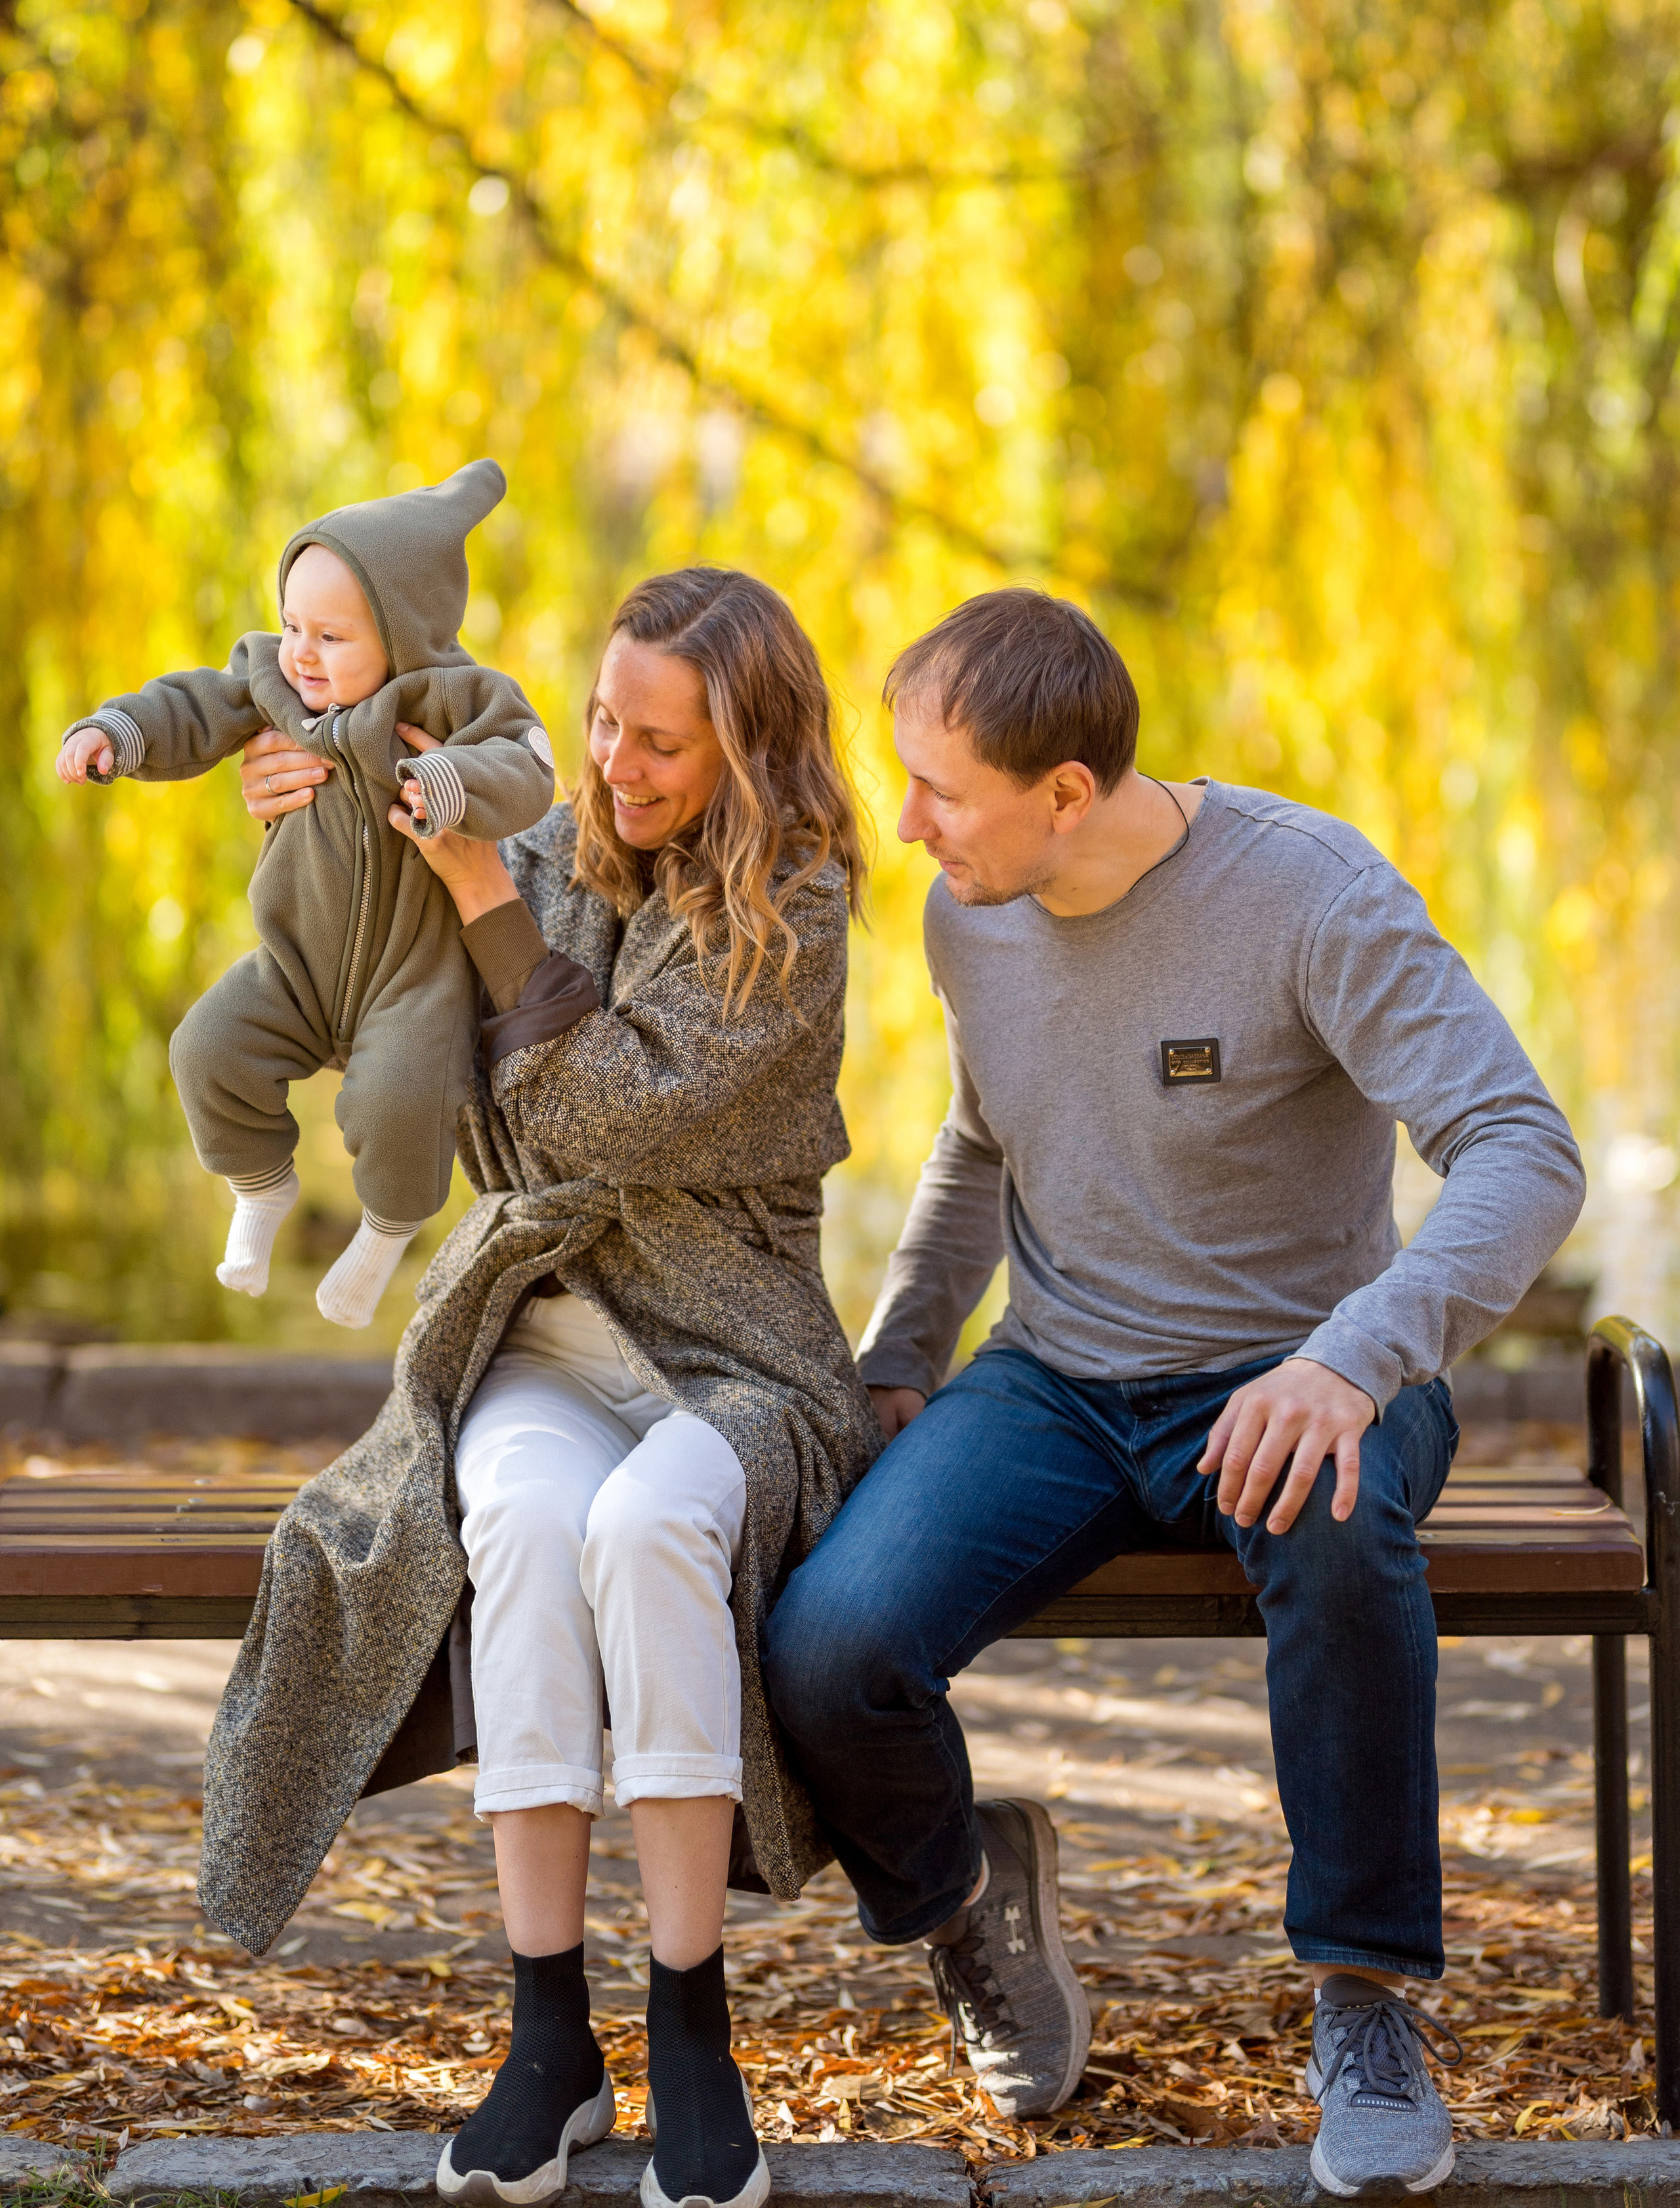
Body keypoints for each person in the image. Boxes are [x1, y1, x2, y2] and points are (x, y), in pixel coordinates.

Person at [765, 589, 1586, 2197]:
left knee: (1336, 1525)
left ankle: (1362, 2001)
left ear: (1065, 791)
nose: (906, 823)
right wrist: (899, 1355)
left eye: (940, 790)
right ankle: (964, 1896)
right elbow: (982, 1139)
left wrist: (1351, 1356)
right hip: (1058, 1383)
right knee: (828, 1647)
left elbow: (1521, 1148)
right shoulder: (969, 909)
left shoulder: (1308, 894)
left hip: (1309, 1369)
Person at [194, 568, 881, 2208]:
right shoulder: (551, 844)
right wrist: (319, 806)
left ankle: (693, 2028)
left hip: (733, 1352)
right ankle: (548, 2032)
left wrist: (485, 907)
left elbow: (587, 1118)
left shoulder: (796, 911)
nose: (614, 766)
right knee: (514, 1516)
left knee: (649, 1529)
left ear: (748, 752)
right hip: (536, 1328)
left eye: (660, 744)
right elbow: (435, 1066)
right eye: (600, 722)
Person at [55, 460, 554, 1327]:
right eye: (292, 625)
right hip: (294, 964)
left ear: (402, 634)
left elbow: (528, 762)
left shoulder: (450, 696)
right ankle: (260, 1186)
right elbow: (194, 706)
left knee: (401, 1102)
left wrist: (452, 781)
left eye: (331, 636)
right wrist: (120, 731)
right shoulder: (277, 686)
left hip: (412, 979)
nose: (301, 653)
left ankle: (385, 1234)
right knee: (205, 1049)